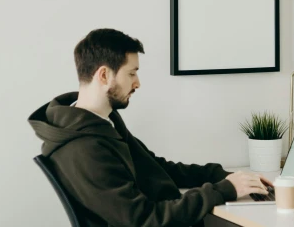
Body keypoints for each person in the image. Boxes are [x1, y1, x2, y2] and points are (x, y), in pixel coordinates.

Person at [29, 28, 271, 227]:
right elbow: (143, 220)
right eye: (131, 73)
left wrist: (226, 177)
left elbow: (157, 168)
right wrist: (222, 190)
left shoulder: (101, 122)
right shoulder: (83, 148)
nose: (138, 83)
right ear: (103, 75)